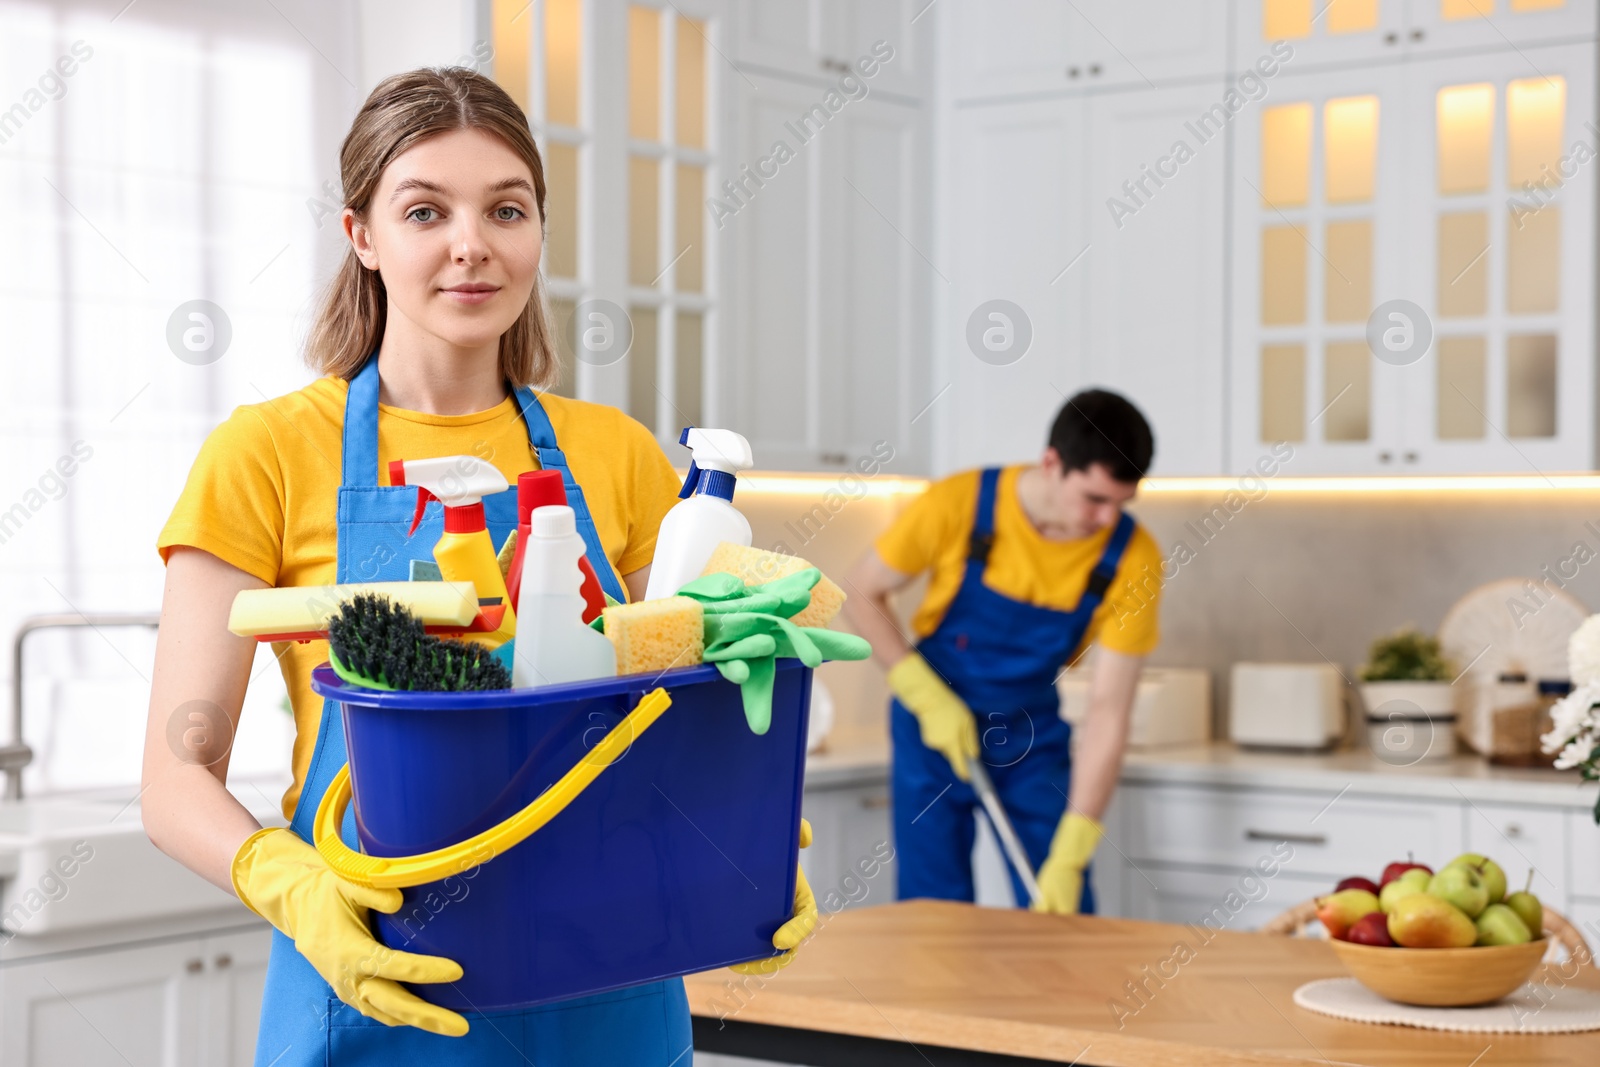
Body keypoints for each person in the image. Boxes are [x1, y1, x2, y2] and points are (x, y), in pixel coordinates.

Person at [141, 67, 810, 1065]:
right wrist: (295, 887)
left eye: (507, 207)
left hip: (612, 982)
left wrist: (736, 846)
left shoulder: (615, 451)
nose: (473, 244)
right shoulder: (270, 453)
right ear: (362, 235)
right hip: (380, 979)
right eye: (425, 210)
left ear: (538, 229)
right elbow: (172, 771)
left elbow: (664, 711)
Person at [843, 390, 1162, 913]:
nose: (1108, 519)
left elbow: (1109, 712)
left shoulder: (1131, 558)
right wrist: (919, 691)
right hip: (932, 731)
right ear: (1052, 463)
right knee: (932, 912)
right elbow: (859, 590)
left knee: (1065, 914)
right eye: (1095, 499)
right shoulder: (962, 503)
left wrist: (1077, 844)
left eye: (1122, 503)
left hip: (1029, 738)